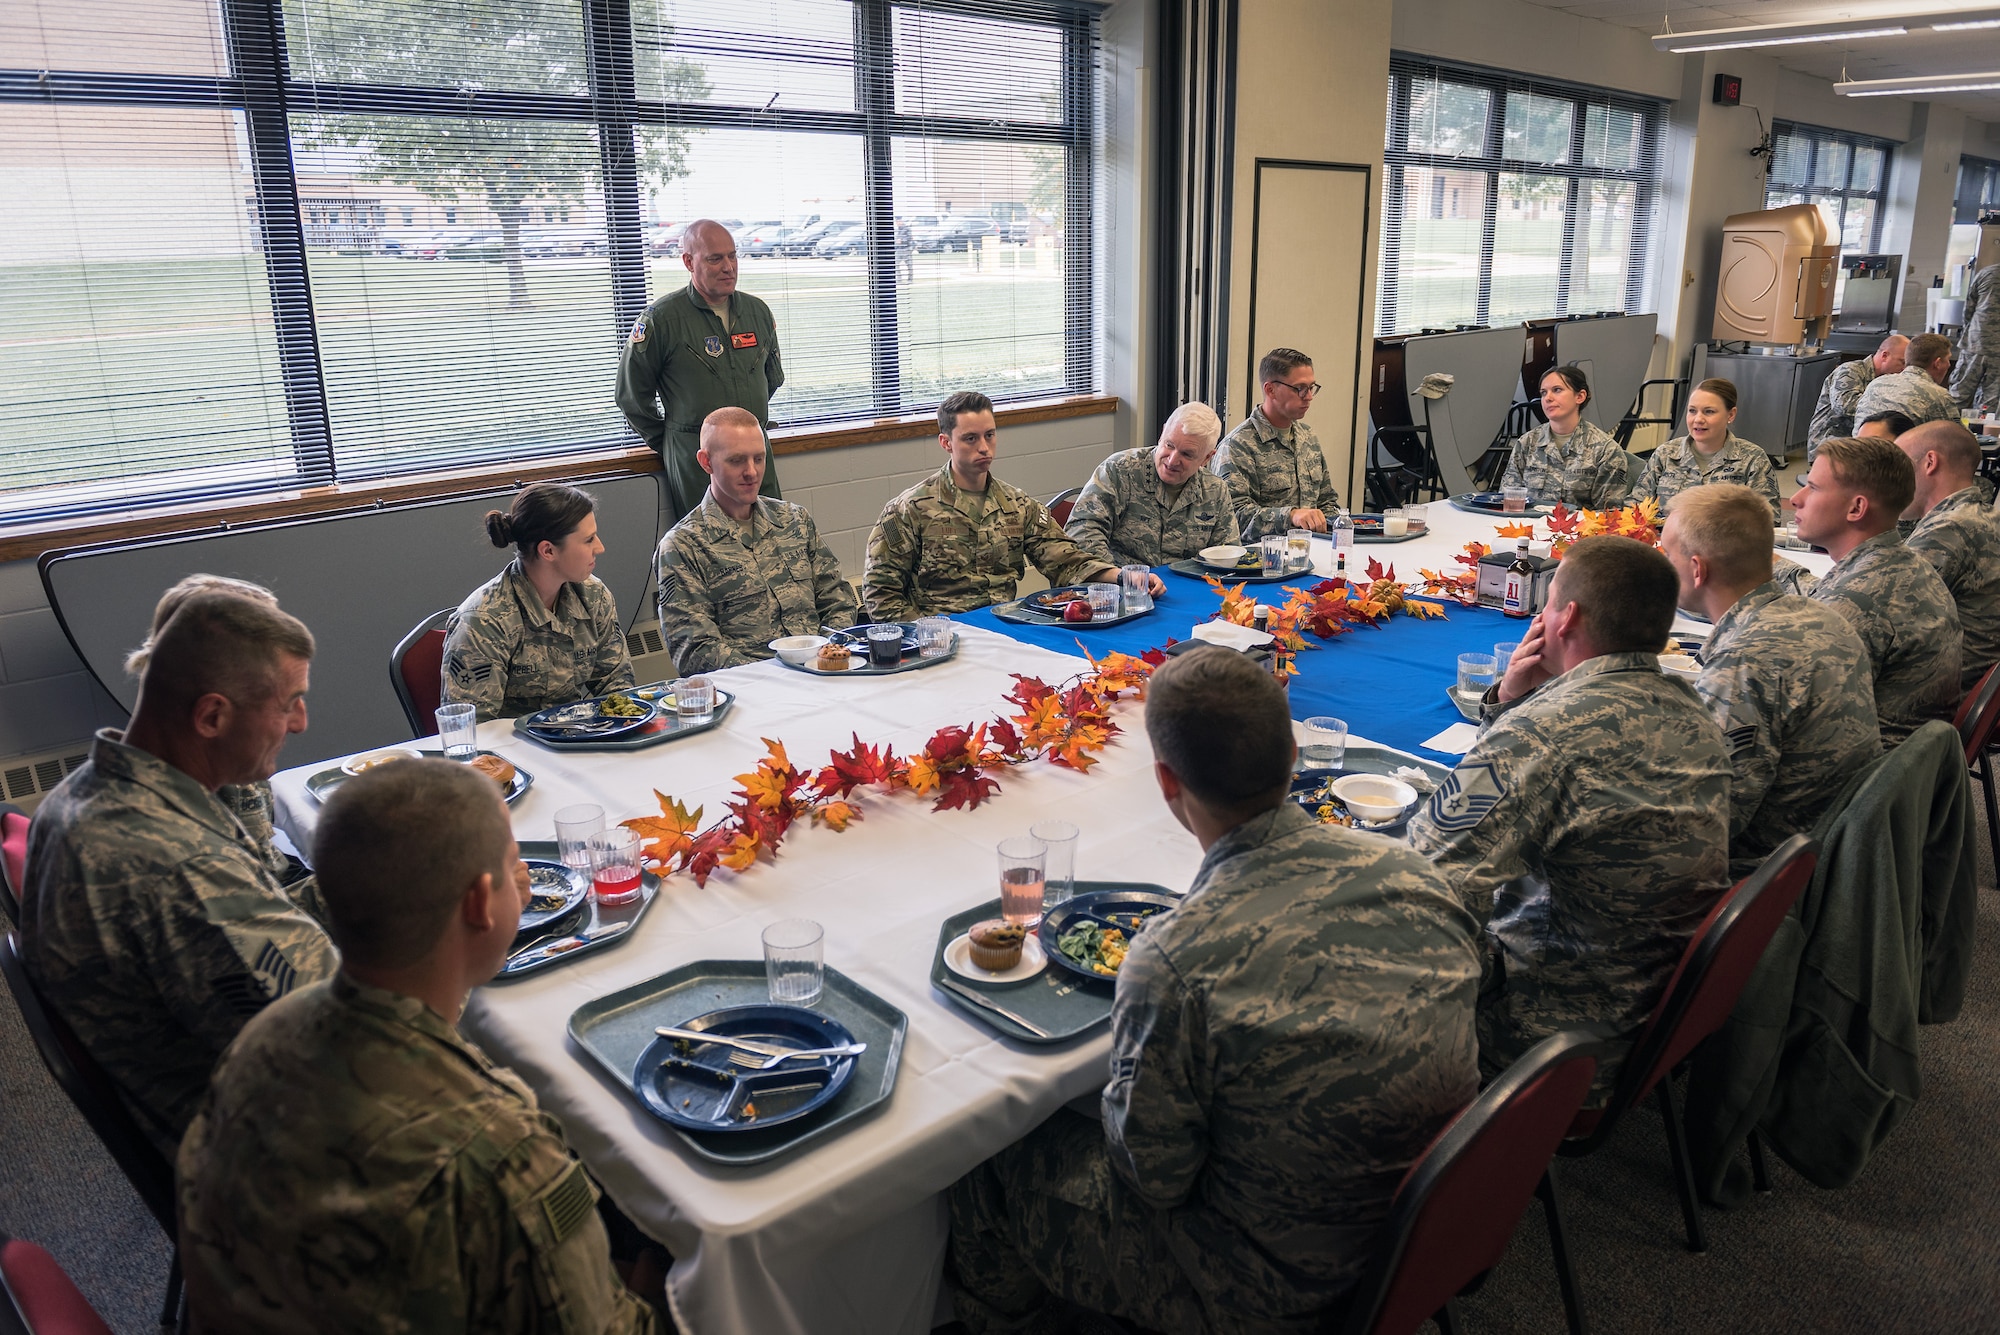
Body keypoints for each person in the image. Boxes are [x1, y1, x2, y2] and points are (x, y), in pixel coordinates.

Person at [947, 647, 1481, 1335]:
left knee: (983, 1155)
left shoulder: (1175, 957)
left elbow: (1152, 1178)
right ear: (1294, 753)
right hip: (1420, 1232)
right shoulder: (1414, 872)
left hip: (1261, 1288)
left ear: (1166, 782)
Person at [177, 760, 663, 1333]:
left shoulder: (263, 1035)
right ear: (482, 904)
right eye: (515, 871)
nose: (526, 881)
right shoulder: (499, 1147)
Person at [1406, 536, 1732, 1098]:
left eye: (1549, 601)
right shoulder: (1691, 706)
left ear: (1567, 618)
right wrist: (1512, 702)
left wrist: (1518, 719)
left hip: (1549, 1034)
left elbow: (1423, 876)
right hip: (1654, 1007)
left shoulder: (1545, 734)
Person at [21, 592, 338, 1154]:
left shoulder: (86, 790)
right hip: (268, 1161)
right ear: (212, 715)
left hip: (208, 1081)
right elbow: (347, 1046)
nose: (301, 723)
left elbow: (258, 919)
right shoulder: (180, 869)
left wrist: (371, 884)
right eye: (290, 703)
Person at [1658, 485, 1879, 876]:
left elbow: (1708, 824)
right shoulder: (1820, 616)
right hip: (1827, 843)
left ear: (1697, 569)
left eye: (1667, 556)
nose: (1661, 566)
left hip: (1765, 871)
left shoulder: (1745, 660)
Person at [124, 575, 315, 903]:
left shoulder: (184, 767)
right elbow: (266, 922)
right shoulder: (178, 855)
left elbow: (266, 882)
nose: (299, 723)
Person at [862, 391, 1127, 621]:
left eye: (989, 435)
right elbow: (881, 594)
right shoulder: (910, 509)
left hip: (1005, 629)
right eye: (970, 439)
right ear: (946, 443)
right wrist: (930, 634)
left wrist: (1123, 578)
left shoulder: (1017, 505)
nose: (984, 448)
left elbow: (1067, 562)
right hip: (941, 638)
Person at [656, 406, 859, 673]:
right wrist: (775, 677)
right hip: (750, 690)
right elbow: (695, 649)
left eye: (759, 459)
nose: (751, 472)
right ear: (706, 462)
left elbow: (838, 600)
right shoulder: (683, 546)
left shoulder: (794, 520)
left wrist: (829, 654)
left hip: (823, 673)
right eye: (737, 460)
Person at [1787, 435, 1963, 744]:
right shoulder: (1900, 564)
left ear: (1856, 508)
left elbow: (1791, 706)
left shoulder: (1860, 600)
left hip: (1858, 778)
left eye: (1813, 488)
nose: (1795, 499)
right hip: (1902, 768)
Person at [615, 219, 785, 523]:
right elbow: (631, 397)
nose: (728, 267)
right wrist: (673, 443)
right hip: (697, 461)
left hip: (755, 457)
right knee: (709, 550)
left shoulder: (757, 312)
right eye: (715, 258)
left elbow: (772, 378)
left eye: (732, 256)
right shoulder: (662, 320)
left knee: (775, 538)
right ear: (688, 262)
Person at [443, 482, 636, 722]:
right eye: (588, 540)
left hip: (578, 739)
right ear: (548, 551)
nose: (600, 547)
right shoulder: (485, 620)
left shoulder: (593, 596)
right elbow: (473, 727)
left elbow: (618, 687)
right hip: (512, 752)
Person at [1064, 402, 1240, 568]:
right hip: (1121, 589)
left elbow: (1227, 555)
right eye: (1169, 445)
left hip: (1187, 591)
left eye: (1186, 454)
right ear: (1162, 433)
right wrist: (1120, 577)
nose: (1172, 460)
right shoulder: (1120, 471)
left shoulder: (1215, 491)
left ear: (1207, 458)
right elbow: (1080, 536)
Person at [1897, 419, 2000, 691]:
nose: (1891, 477)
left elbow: (1880, 613)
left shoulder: (1949, 528)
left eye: (1899, 464)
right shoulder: (1984, 516)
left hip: (1932, 697)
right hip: (1967, 684)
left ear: (1930, 462)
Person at [1212, 347, 1343, 541]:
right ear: (1270, 389)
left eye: (1311, 387)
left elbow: (1327, 502)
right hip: (1262, 559)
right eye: (1300, 388)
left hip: (1313, 550)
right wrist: (1290, 516)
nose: (1309, 397)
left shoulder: (1307, 437)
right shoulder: (1238, 446)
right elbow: (1232, 517)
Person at [1629, 378, 1781, 519]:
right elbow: (1633, 508)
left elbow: (1769, 520)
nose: (1698, 419)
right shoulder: (1665, 454)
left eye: (1709, 412)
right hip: (1665, 543)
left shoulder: (1753, 459)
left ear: (1731, 414)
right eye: (1692, 411)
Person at [1501, 365, 1631, 509]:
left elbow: (1609, 515)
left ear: (1580, 396)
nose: (1548, 398)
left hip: (1578, 530)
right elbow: (1508, 499)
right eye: (1543, 393)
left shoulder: (1605, 450)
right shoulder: (1527, 443)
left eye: (1557, 390)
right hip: (1528, 528)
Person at [1808, 335, 1907, 462]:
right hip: (1830, 438)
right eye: (1902, 362)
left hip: (1858, 439)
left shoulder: (1887, 380)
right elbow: (1844, 406)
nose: (1904, 369)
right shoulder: (1850, 370)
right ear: (1884, 355)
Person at [1851, 332, 1959, 429]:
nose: (1949, 364)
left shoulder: (1876, 384)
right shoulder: (1938, 395)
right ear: (1938, 363)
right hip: (1897, 451)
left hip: (1860, 448)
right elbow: (1958, 438)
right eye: (1948, 359)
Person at [1950, 260, 2000, 412]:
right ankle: (1982, 434)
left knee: (1959, 393)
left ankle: (1945, 429)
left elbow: (1968, 308)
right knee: (1991, 400)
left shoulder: (1987, 273)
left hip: (1975, 343)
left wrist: (1970, 331)